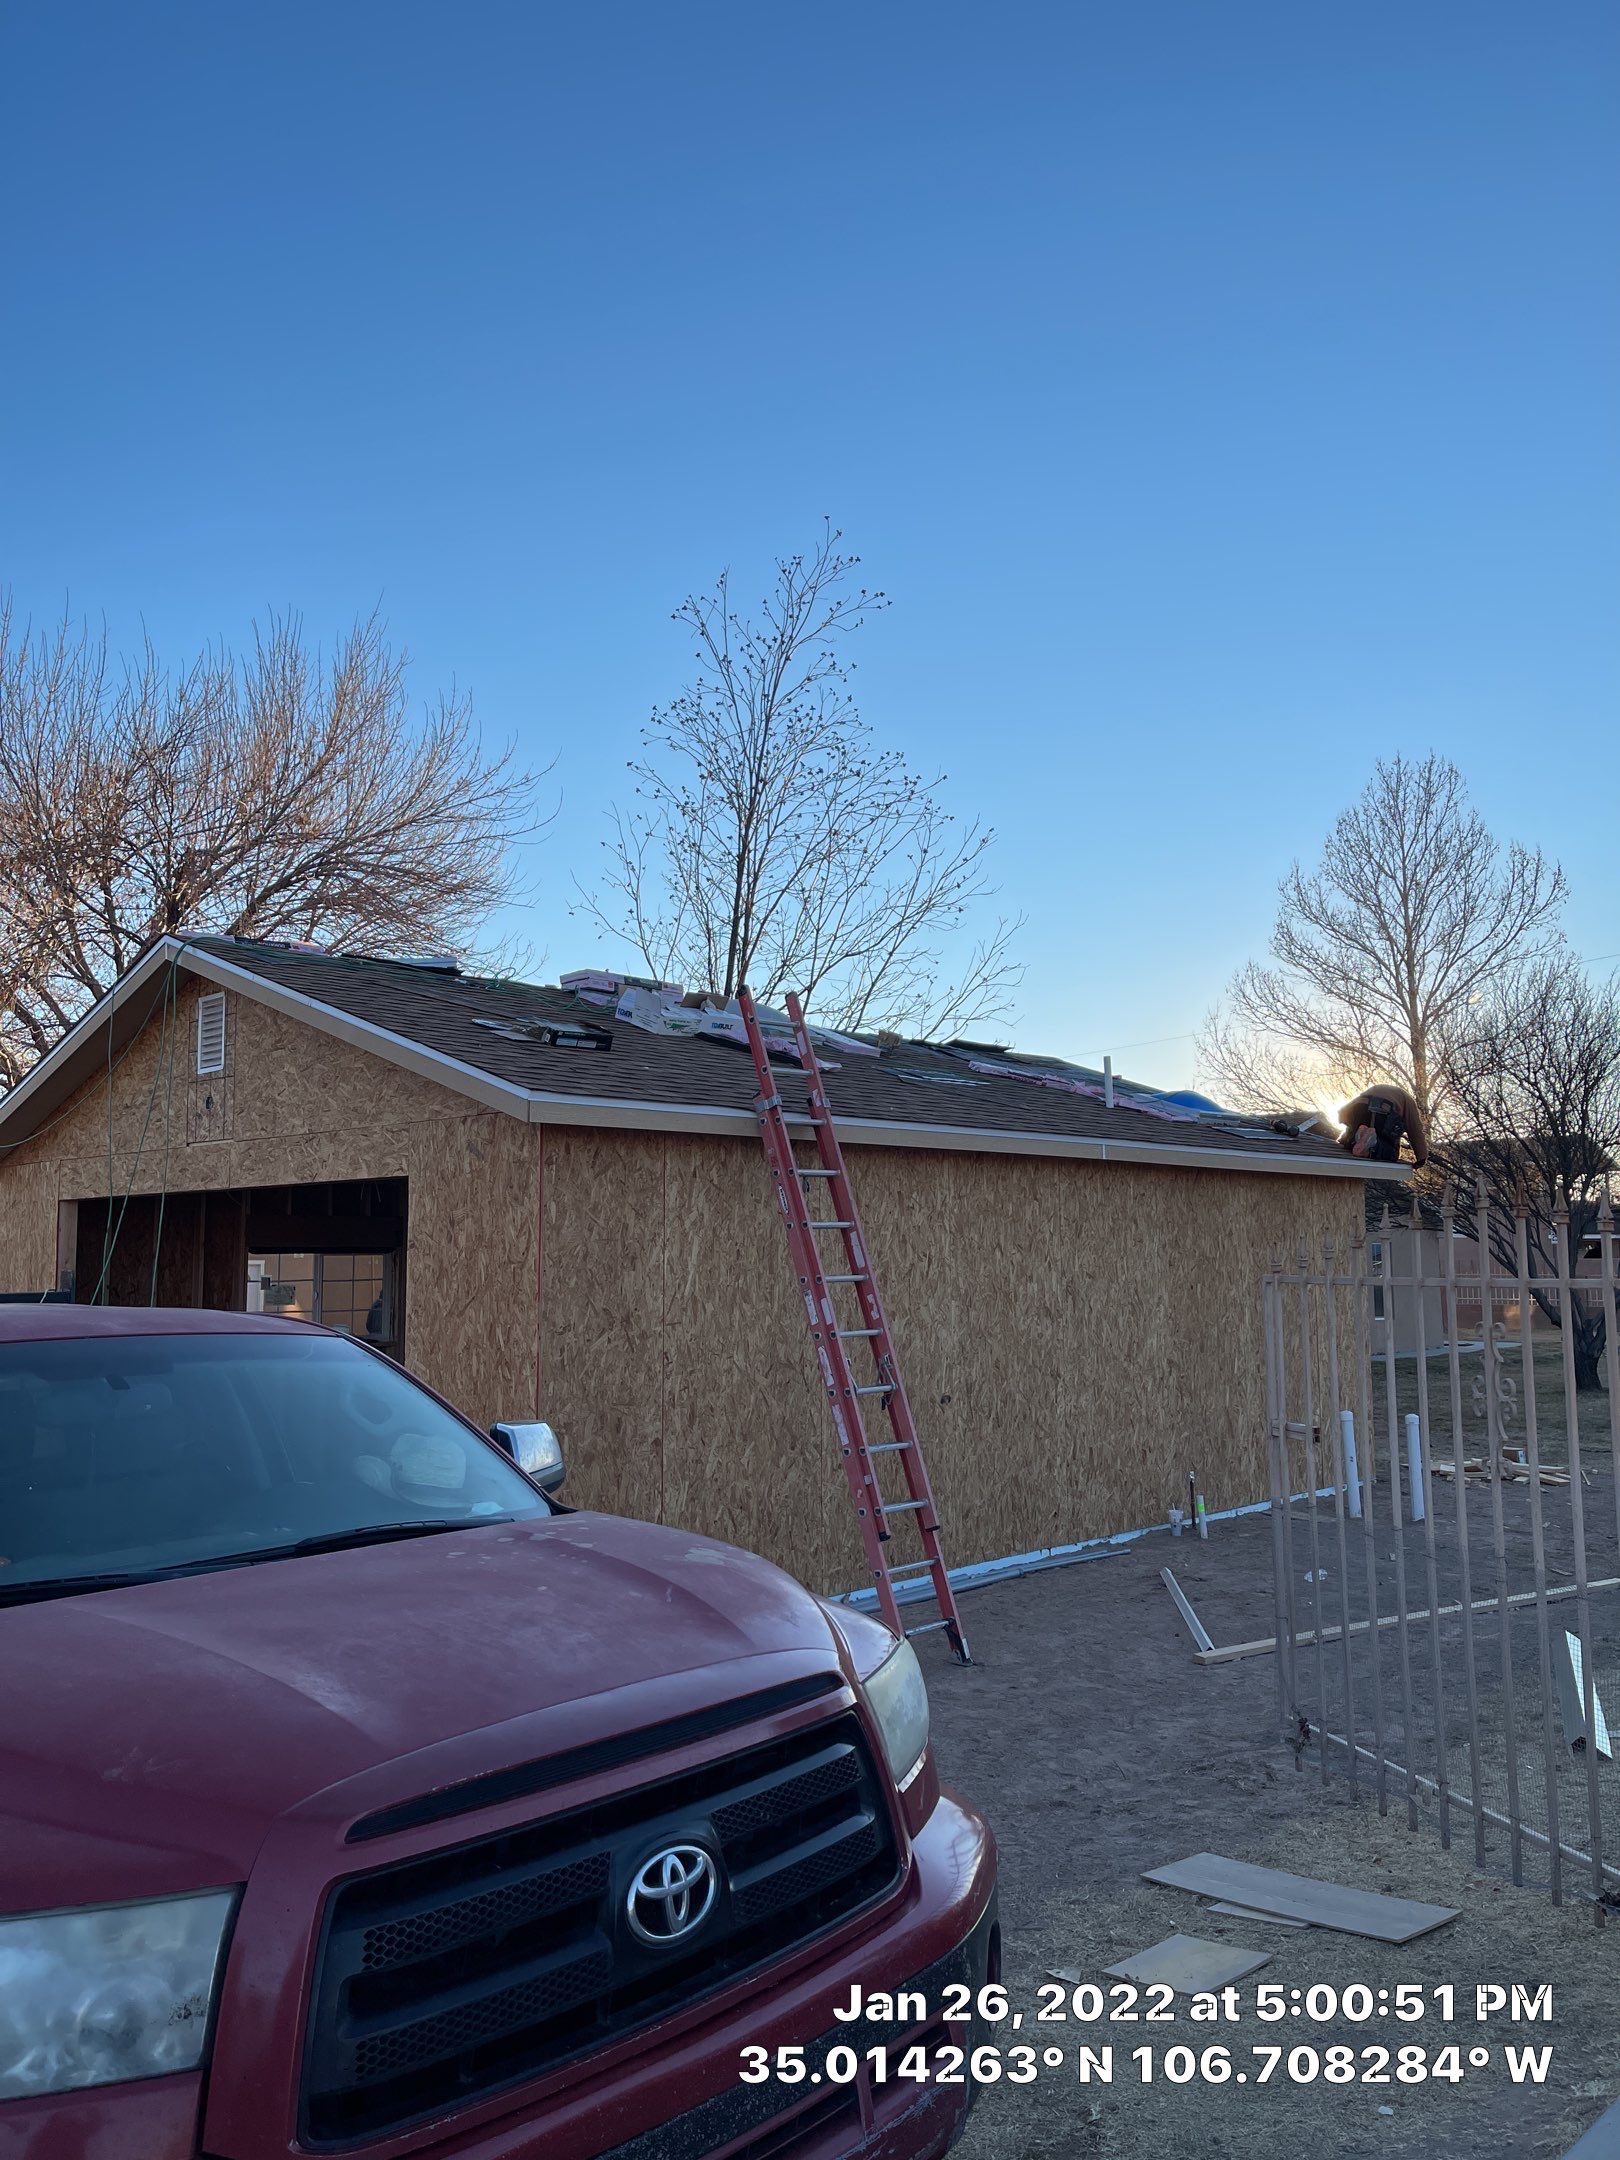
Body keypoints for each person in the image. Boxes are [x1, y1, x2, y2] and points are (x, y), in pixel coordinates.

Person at [1336, 1083, 1428, 1167]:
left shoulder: (1375, 1089)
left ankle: (1351, 1140)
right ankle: (1374, 1145)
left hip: (1360, 1106)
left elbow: (1342, 1112)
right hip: (1384, 1111)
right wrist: (1422, 1158)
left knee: (1354, 1137)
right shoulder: (1408, 1100)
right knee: (1391, 1152)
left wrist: (1347, 1132)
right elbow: (1415, 1130)